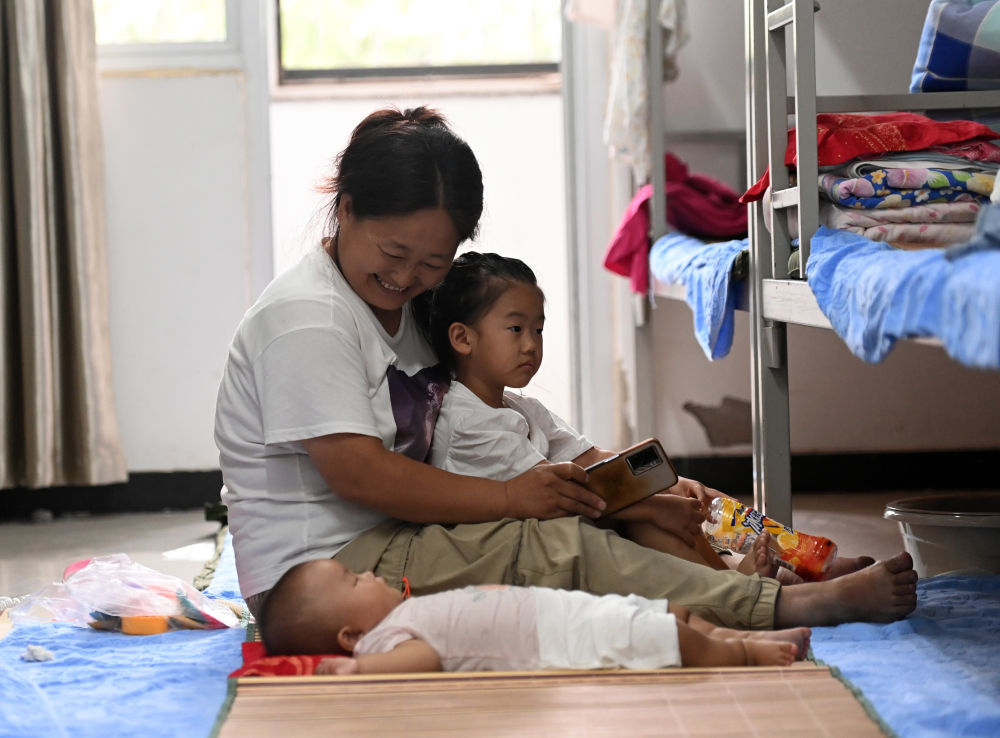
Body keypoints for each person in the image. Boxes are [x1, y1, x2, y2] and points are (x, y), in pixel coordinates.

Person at [213, 104, 917, 634]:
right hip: (324, 571)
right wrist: (516, 500)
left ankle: (779, 563)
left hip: (400, 528)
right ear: (345, 208)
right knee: (556, 544)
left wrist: (625, 485)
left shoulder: (417, 310)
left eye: (432, 262)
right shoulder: (308, 316)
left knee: (653, 485)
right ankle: (775, 605)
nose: (405, 277)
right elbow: (360, 474)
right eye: (393, 253)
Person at [419, 250, 873, 584]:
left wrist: (670, 483)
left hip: (558, 518)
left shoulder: (519, 407)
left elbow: (594, 459)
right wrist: (656, 503)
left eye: (538, 329)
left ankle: (808, 560)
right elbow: (560, 493)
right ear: (462, 338)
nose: (532, 344)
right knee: (649, 515)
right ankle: (739, 586)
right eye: (516, 329)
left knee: (689, 493)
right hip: (518, 551)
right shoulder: (468, 421)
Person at [260, 559, 812, 673]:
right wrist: (358, 672)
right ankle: (739, 652)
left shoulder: (399, 612)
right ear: (349, 635)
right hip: (554, 638)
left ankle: (734, 632)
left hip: (558, 610)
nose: (370, 574)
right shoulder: (380, 645)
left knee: (669, 611)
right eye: (355, 582)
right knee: (662, 633)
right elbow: (424, 659)